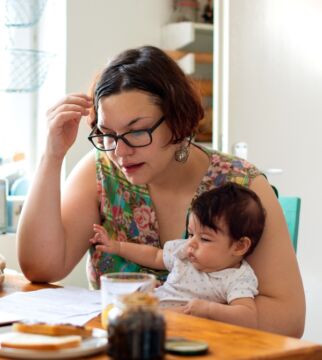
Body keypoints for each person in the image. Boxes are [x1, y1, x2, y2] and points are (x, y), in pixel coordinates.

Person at [17, 45, 305, 337]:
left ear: (177, 120)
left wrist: (184, 316)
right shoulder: (101, 171)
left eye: (137, 131)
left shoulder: (241, 184)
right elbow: (41, 268)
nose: (120, 151)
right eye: (107, 134)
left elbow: (289, 320)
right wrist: (51, 156)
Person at [90, 183, 265, 328]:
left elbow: (248, 317)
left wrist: (210, 310)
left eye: (204, 238)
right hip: (148, 314)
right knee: (110, 313)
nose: (192, 243)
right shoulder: (186, 253)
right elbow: (154, 256)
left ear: (240, 246)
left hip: (182, 326)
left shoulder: (237, 277)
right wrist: (118, 247)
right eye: (190, 234)